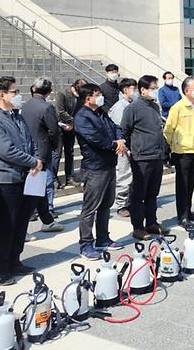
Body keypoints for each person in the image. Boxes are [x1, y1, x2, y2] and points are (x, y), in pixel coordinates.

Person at [0, 77, 42, 285]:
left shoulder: (17, 116)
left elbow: (30, 141)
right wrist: (32, 161)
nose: (18, 96)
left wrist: (35, 159)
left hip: (26, 176)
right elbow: (5, 150)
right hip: (6, 178)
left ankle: (15, 260)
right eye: (14, 92)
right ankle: (0, 268)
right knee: (4, 224)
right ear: (2, 95)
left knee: (21, 222)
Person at [73, 83, 126, 259]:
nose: (100, 97)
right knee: (90, 208)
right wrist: (114, 144)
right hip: (94, 167)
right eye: (97, 94)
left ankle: (103, 238)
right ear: (88, 98)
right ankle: (86, 244)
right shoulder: (82, 117)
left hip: (109, 164)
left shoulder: (100, 112)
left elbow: (115, 126)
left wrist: (120, 139)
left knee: (106, 205)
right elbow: (95, 139)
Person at [122, 76, 170, 240]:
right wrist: (129, 149)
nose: (156, 90)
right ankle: (138, 227)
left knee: (152, 193)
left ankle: (152, 222)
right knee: (139, 194)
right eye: (153, 87)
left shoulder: (155, 107)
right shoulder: (132, 109)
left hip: (156, 155)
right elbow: (124, 131)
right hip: (141, 157)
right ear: (143, 90)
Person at [21, 78, 65, 231]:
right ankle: (24, 227)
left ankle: (47, 219)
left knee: (38, 188)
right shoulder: (47, 107)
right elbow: (53, 130)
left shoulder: (26, 105)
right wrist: (54, 146)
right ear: (49, 91)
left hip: (27, 149)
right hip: (40, 150)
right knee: (35, 188)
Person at [164, 77, 194, 226]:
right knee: (182, 185)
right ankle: (182, 216)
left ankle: (188, 211)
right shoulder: (178, 107)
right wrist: (173, 145)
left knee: (191, 183)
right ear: (187, 91)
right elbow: (168, 129)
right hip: (182, 152)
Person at [109, 78, 138, 218]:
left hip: (133, 145)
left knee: (132, 175)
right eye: (134, 89)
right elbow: (119, 130)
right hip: (123, 147)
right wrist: (125, 146)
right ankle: (121, 204)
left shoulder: (132, 104)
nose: (136, 91)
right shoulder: (120, 107)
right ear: (126, 90)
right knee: (124, 174)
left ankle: (131, 201)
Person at [56, 78, 86, 187]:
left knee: (70, 152)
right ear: (74, 87)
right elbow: (60, 111)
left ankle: (70, 177)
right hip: (60, 126)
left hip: (71, 128)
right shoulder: (62, 94)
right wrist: (72, 121)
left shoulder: (79, 98)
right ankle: (54, 179)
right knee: (57, 153)